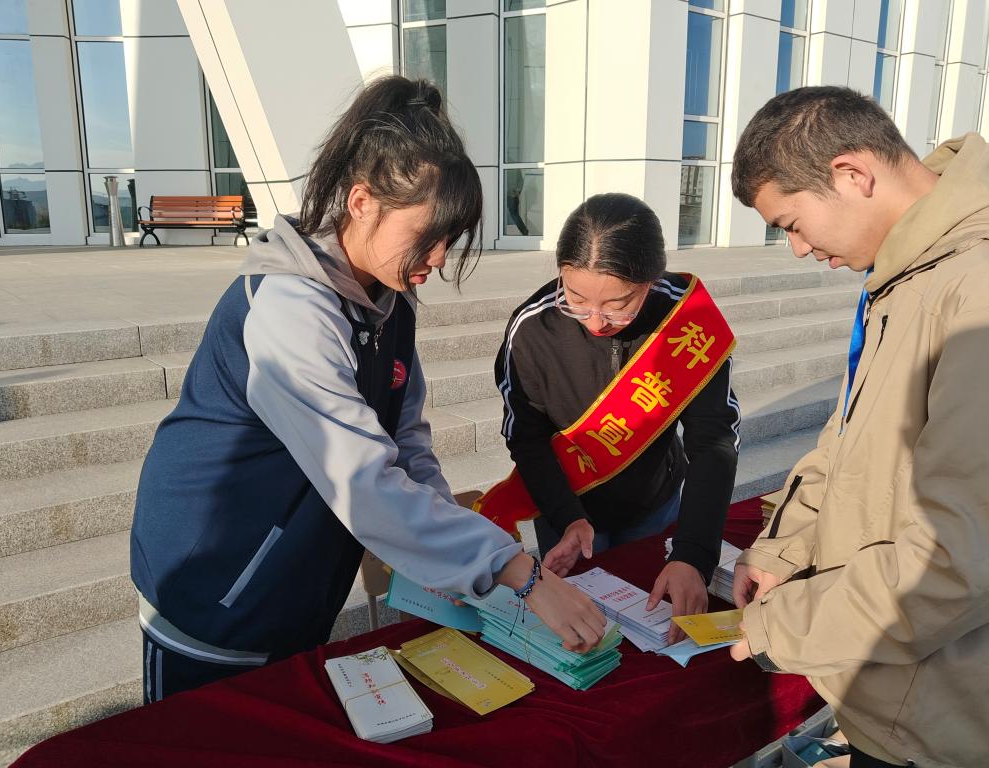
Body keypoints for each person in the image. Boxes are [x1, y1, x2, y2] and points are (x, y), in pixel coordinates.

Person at [130, 76, 605, 702]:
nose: (439, 257)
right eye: (428, 236)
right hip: (215, 588)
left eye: (449, 239)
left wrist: (449, 561)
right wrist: (519, 571)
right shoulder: (289, 308)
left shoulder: (390, 303)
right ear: (361, 202)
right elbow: (363, 480)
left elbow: (406, 446)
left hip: (296, 585)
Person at [728, 86, 989, 768]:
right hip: (902, 687)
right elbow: (849, 443)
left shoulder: (974, 291)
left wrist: (783, 627)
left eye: (791, 223)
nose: (797, 249)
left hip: (940, 718)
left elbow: (960, 559)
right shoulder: (912, 272)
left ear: (850, 174)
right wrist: (783, 550)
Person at [483, 193, 741, 641]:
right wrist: (566, 516)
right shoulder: (532, 329)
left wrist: (693, 554)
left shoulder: (685, 318)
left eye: (619, 304)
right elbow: (527, 438)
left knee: (653, 625)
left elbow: (714, 438)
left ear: (650, 281)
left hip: (657, 502)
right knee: (584, 634)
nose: (596, 322)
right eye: (576, 298)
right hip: (566, 508)